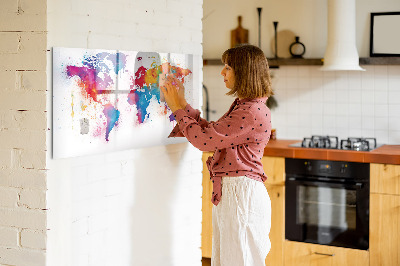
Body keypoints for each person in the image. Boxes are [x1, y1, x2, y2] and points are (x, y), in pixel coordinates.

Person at [161, 44, 273, 266]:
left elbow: (204, 141)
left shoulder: (250, 111)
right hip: (236, 193)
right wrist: (182, 104)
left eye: (228, 67)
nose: (222, 72)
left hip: (241, 195)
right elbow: (212, 133)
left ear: (244, 72)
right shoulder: (246, 106)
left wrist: (176, 108)